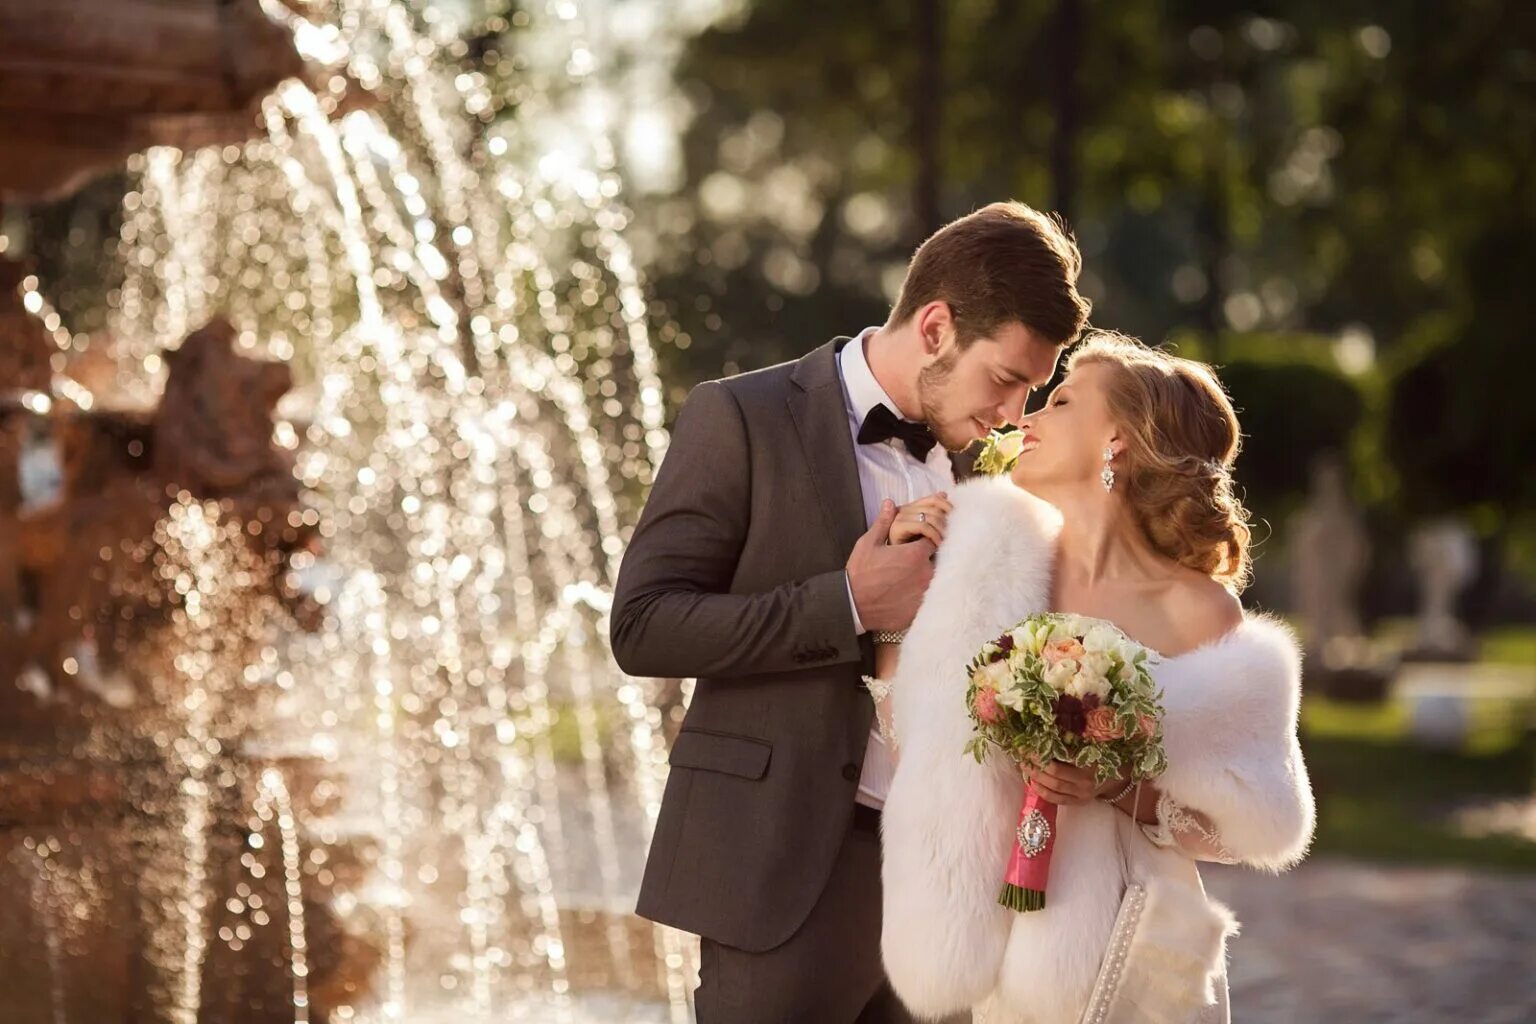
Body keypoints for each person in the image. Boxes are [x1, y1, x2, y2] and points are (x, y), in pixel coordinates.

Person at [609, 201, 1090, 1022]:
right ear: (935, 328)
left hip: (941, 893)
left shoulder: (988, 473)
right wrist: (846, 603)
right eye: (1007, 380)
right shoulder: (742, 418)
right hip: (783, 875)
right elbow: (644, 624)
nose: (1014, 414)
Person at [877, 332, 1316, 1024]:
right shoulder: (985, 567)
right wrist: (899, 602)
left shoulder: (1200, 611)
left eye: (1060, 402)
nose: (1027, 418)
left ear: (1117, 441)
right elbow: (915, 745)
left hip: (1139, 960)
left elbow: (1249, 824)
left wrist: (1116, 785)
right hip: (1008, 972)